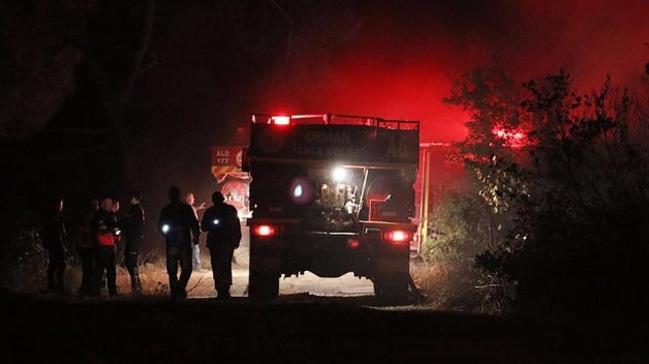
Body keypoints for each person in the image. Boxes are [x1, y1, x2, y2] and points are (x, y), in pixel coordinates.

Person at [159, 186, 200, 300]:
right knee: (185, 268)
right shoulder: (186, 208)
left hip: (174, 243)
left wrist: (166, 233)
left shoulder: (167, 209)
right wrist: (195, 236)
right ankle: (179, 290)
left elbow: (161, 226)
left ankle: (177, 290)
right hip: (182, 243)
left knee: (174, 270)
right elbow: (194, 224)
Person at [201, 191, 241, 299]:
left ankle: (220, 287)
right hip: (226, 242)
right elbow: (237, 226)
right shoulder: (230, 210)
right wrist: (237, 240)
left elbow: (204, 227)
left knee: (217, 265)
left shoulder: (210, 211)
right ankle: (225, 287)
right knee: (225, 264)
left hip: (216, 242)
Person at [91, 198, 120, 297]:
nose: (110, 205)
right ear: (104, 204)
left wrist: (116, 234)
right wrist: (113, 229)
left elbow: (116, 228)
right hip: (102, 245)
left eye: (111, 203)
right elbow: (101, 229)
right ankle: (95, 292)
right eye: (109, 203)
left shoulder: (110, 215)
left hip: (110, 244)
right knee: (100, 269)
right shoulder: (100, 215)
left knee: (110, 269)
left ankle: (112, 292)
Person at [42, 197, 67, 294]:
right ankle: (57, 287)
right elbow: (56, 233)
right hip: (56, 245)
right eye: (60, 204)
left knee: (54, 266)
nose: (61, 206)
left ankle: (53, 286)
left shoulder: (57, 216)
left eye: (62, 205)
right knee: (59, 266)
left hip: (55, 245)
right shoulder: (54, 217)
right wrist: (62, 246)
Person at [124, 190, 145, 294]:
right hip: (131, 239)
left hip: (134, 240)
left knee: (131, 263)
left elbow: (135, 226)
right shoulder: (133, 209)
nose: (129, 199)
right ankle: (137, 286)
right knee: (130, 263)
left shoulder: (137, 210)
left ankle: (136, 287)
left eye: (130, 197)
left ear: (134, 197)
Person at [77, 198, 98, 296]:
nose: (97, 206)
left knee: (89, 270)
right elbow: (84, 231)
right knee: (89, 270)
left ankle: (86, 289)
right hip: (87, 247)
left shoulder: (87, 217)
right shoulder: (91, 217)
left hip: (88, 246)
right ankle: (85, 290)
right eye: (95, 205)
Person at [185, 192, 206, 272]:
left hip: (189, 231)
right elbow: (193, 220)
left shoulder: (188, 208)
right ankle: (197, 267)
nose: (193, 199)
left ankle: (192, 266)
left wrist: (199, 207)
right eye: (192, 198)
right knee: (195, 248)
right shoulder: (190, 208)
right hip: (191, 231)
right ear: (189, 199)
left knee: (192, 248)